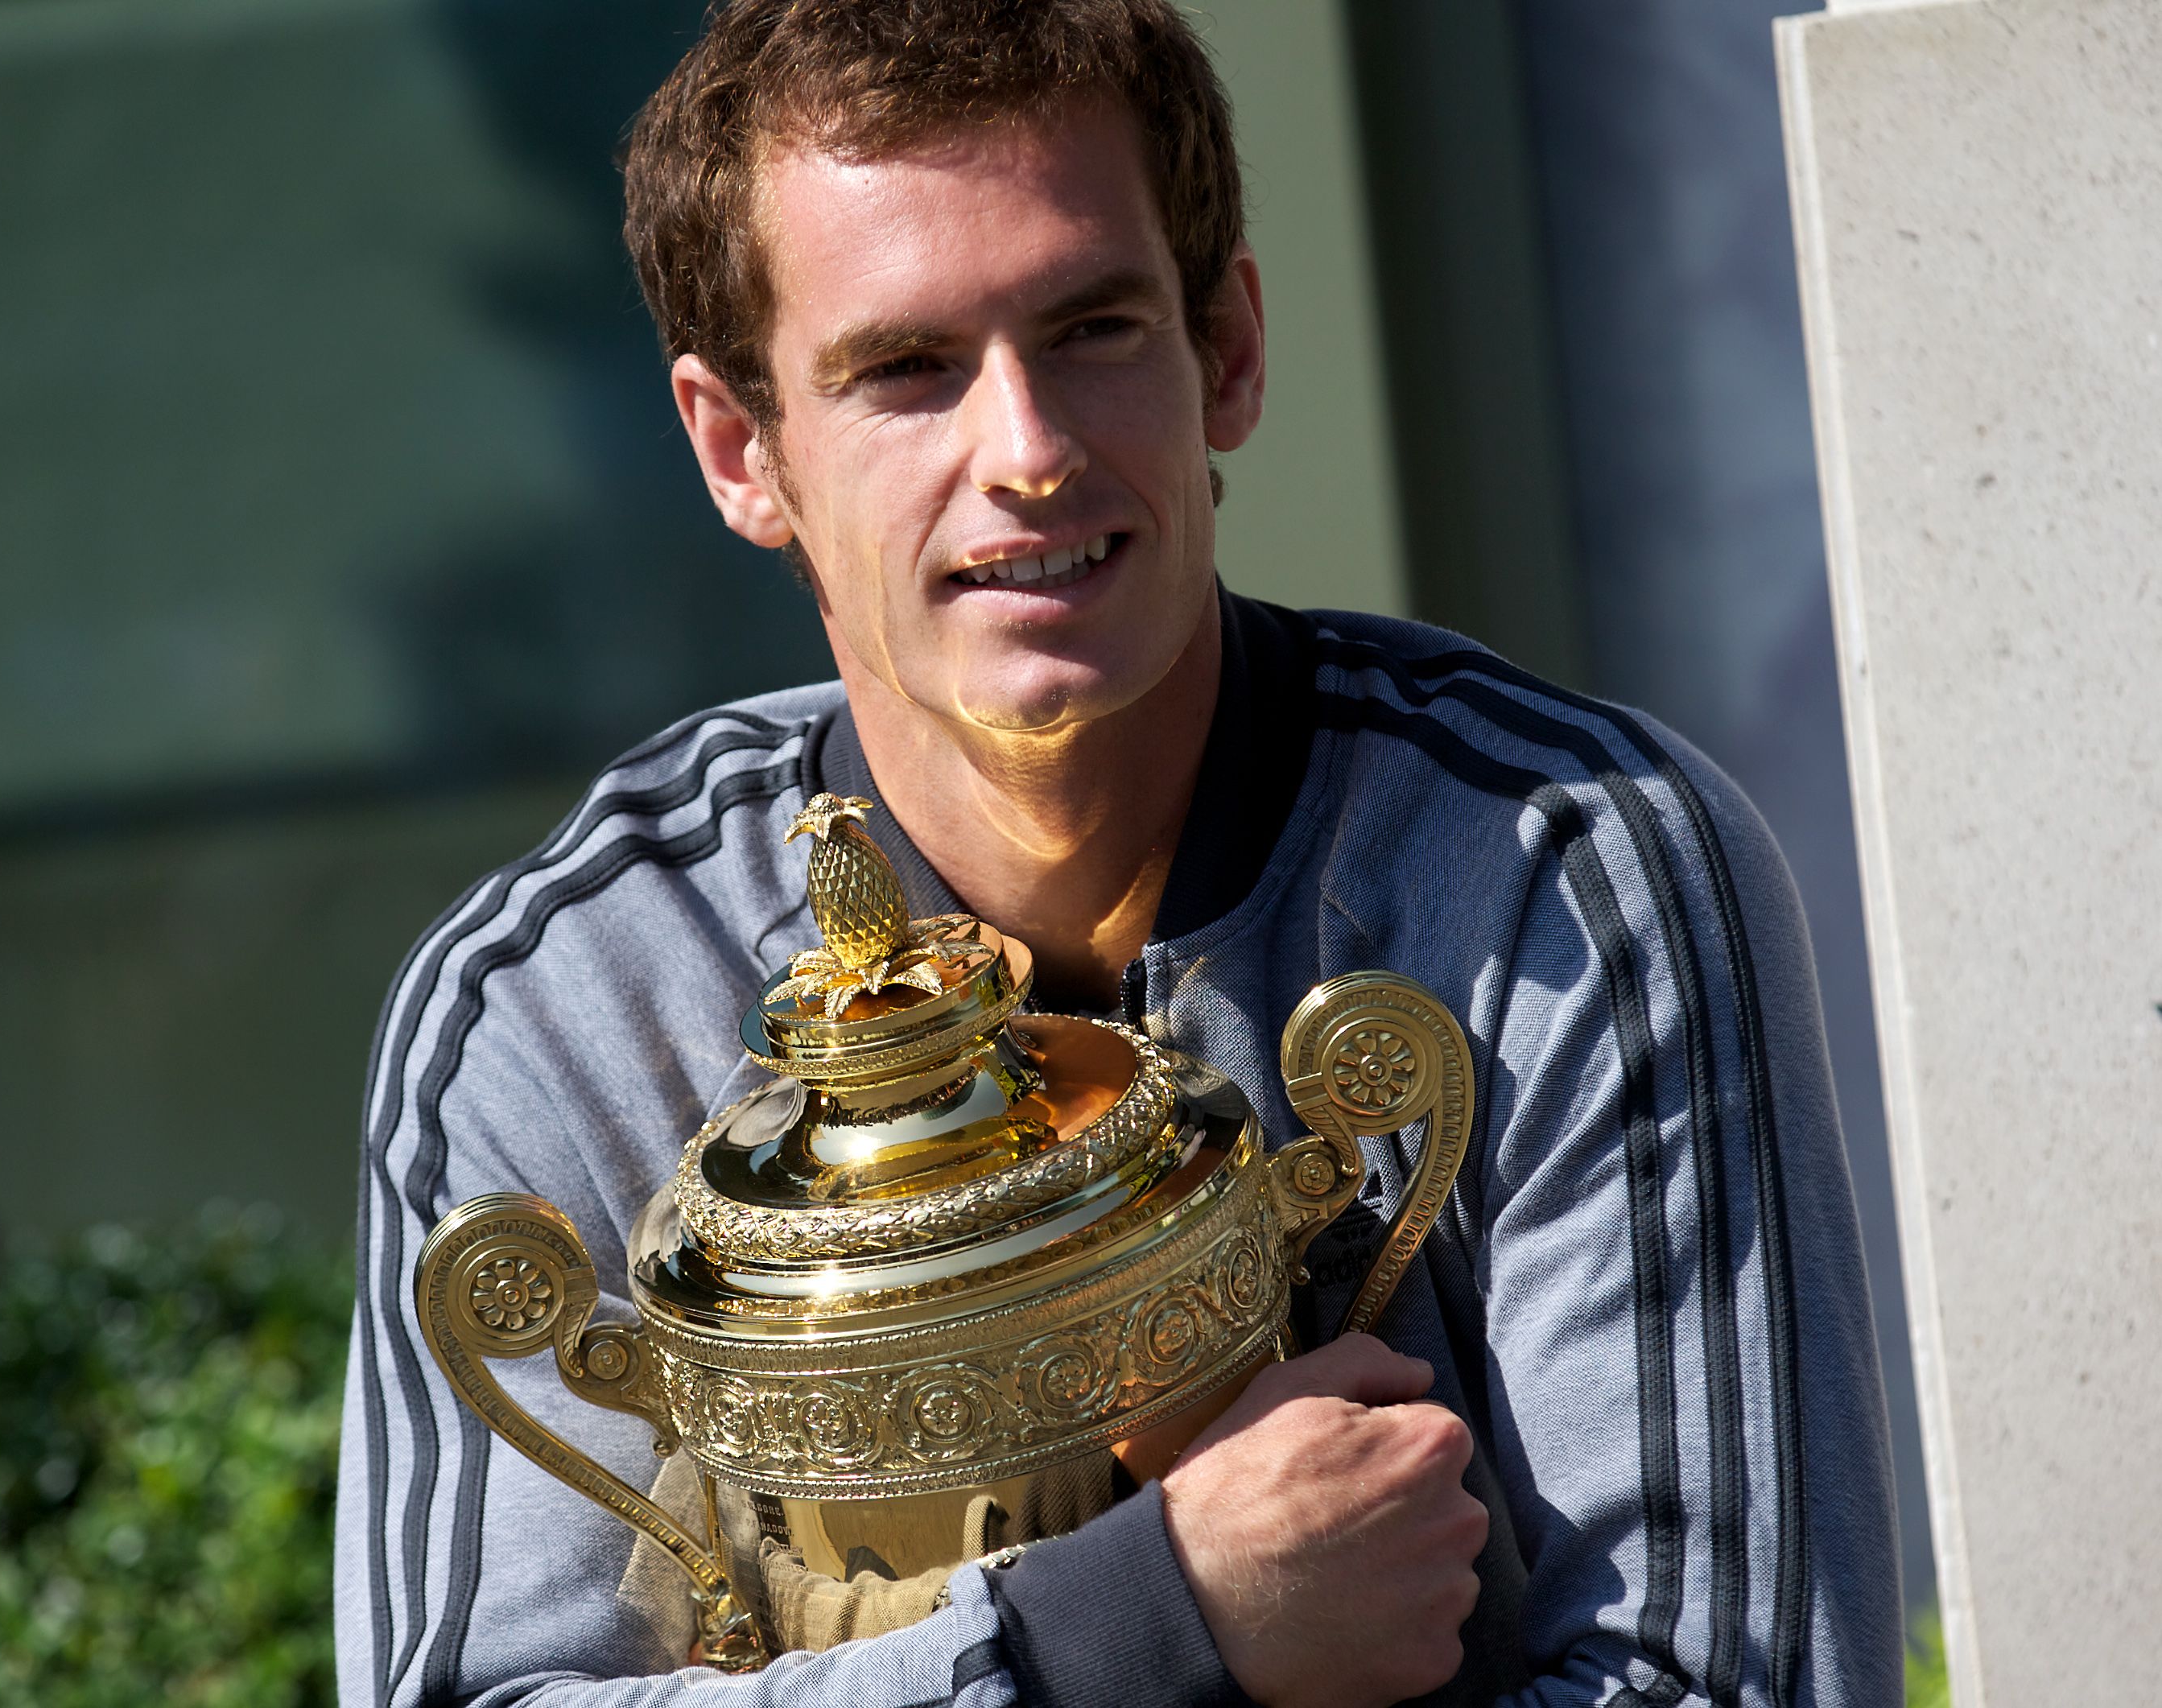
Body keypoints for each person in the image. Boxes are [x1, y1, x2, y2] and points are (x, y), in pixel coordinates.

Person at [334, 2, 1900, 1704]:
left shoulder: (1565, 882)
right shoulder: (564, 1000)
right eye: (903, 369)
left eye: (1089, 326)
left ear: (1224, 346)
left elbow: (1725, 1684)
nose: (1024, 449)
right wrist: (1137, 1621)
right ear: (742, 450)